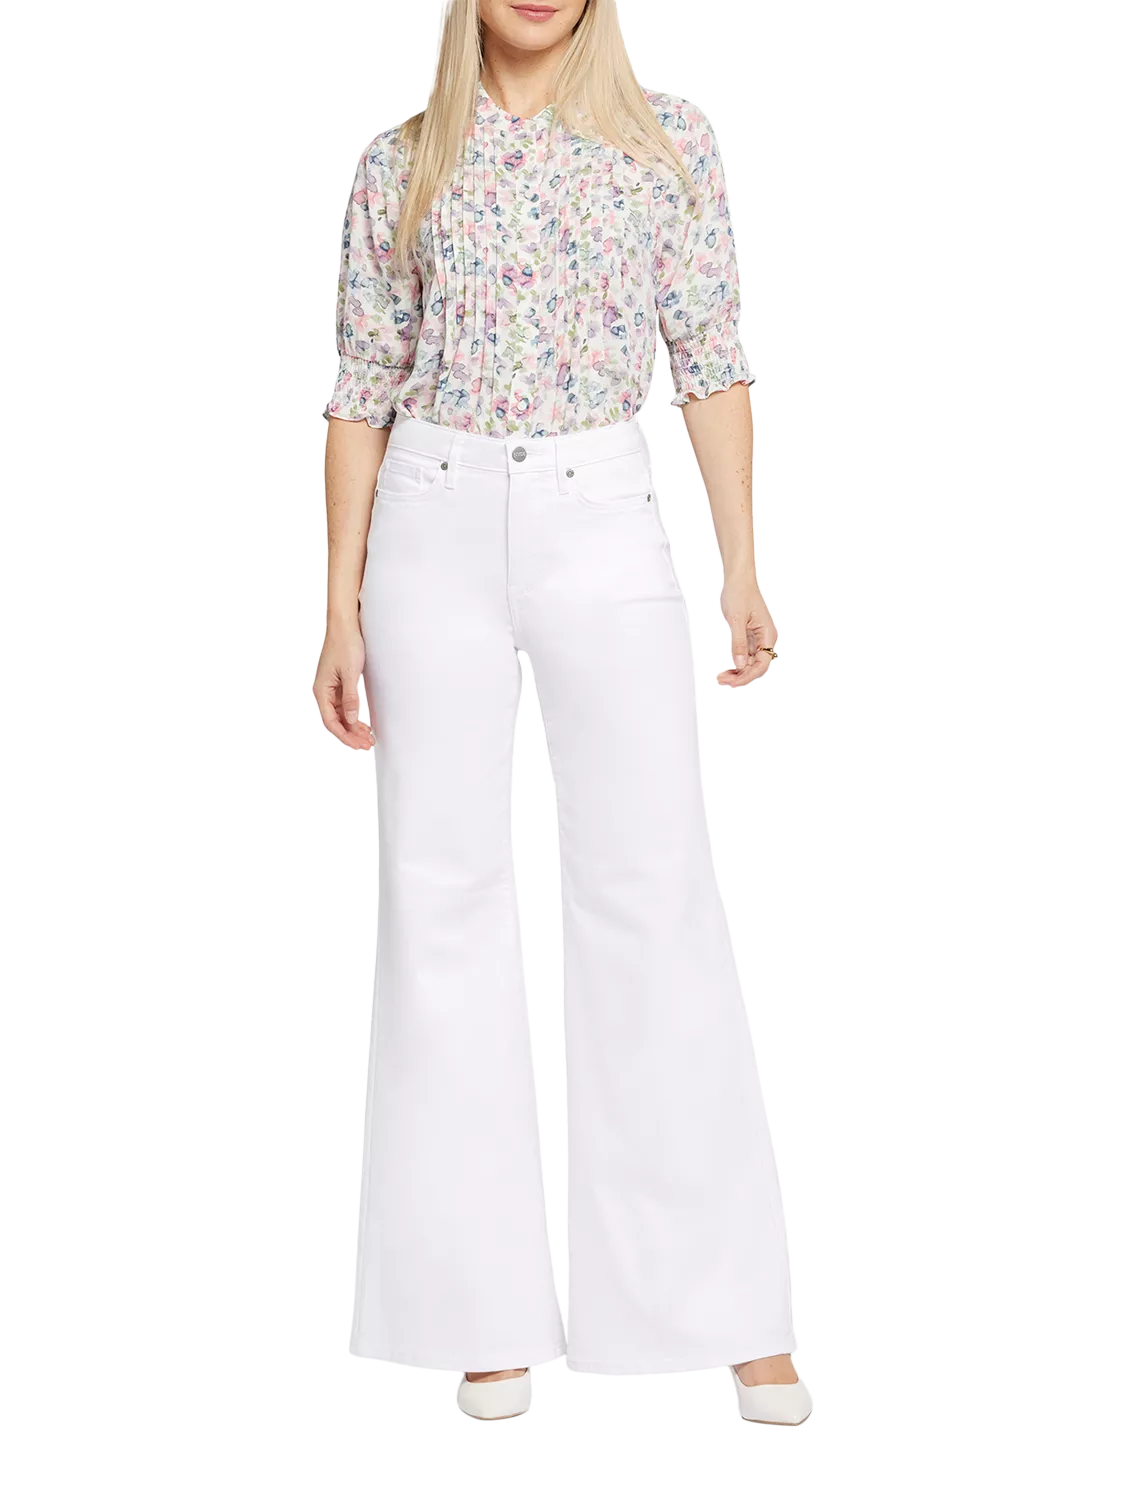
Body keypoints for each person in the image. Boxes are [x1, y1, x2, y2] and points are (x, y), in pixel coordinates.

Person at [313, 0, 811, 1425]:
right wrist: (338, 605)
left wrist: (742, 567)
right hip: (432, 521)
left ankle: (725, 1305)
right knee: (442, 896)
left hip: (604, 517)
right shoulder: (399, 161)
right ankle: (479, 1310)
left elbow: (711, 356)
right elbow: (361, 385)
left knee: (652, 889)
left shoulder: (668, 145)